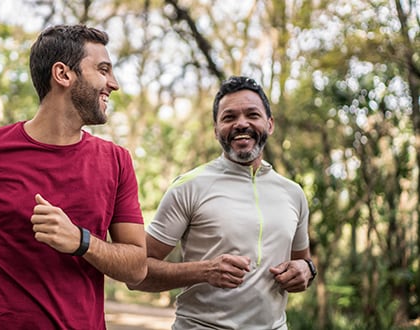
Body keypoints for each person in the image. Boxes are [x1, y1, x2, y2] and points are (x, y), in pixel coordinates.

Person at [0, 24, 147, 330]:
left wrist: (81, 241)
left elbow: (137, 267)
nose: (114, 83)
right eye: (103, 69)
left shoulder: (117, 161)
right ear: (63, 74)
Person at [128, 76, 316, 329]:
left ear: (269, 124)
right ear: (216, 129)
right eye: (229, 117)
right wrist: (203, 271)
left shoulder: (292, 193)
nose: (241, 124)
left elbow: (303, 261)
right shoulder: (189, 186)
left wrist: (307, 270)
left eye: (252, 114)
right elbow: (135, 274)